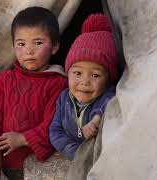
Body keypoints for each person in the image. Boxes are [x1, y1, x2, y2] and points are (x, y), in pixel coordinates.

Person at [0, 7, 67, 180]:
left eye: (38, 43)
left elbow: (54, 124)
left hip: (39, 168)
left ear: (54, 47)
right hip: (1, 164)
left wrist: (23, 139)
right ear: (13, 46)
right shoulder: (5, 79)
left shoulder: (58, 83)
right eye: (21, 44)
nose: (29, 50)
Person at [49, 14, 119, 160]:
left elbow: (108, 105)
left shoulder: (108, 97)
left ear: (108, 80)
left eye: (95, 75)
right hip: (75, 154)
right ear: (67, 73)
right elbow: (55, 131)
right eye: (77, 73)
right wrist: (73, 151)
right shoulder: (64, 99)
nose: (85, 81)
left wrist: (95, 121)